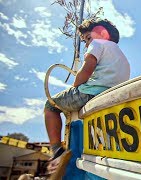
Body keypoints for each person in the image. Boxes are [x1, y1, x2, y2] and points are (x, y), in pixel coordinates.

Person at [44, 18, 130, 173]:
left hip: (91, 92)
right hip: (112, 96)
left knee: (50, 105)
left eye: (88, 38)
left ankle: (56, 149)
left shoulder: (97, 44)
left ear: (101, 34)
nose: (87, 44)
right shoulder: (121, 55)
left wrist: (74, 87)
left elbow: (87, 69)